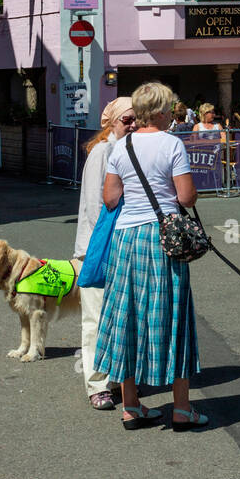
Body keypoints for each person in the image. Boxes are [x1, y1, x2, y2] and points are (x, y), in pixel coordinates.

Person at [95, 81, 206, 429]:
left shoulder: (121, 145)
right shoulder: (172, 144)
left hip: (126, 238)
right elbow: (186, 198)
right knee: (172, 314)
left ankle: (131, 405)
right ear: (159, 110)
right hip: (162, 239)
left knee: (126, 314)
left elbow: (110, 197)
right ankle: (182, 408)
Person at [74, 98, 135, 409]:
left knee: (120, 318)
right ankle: (97, 384)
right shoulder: (102, 151)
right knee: (96, 319)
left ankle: (118, 379)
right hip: (99, 247)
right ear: (112, 121)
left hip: (120, 245)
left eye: (137, 119)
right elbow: (95, 207)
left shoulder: (127, 149)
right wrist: (107, 247)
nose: (133, 124)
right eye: (127, 119)